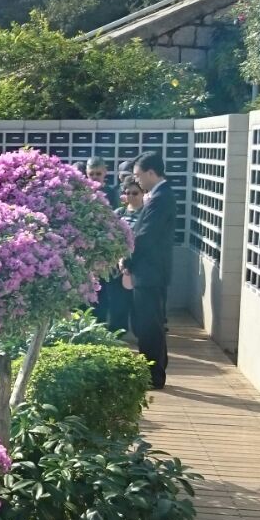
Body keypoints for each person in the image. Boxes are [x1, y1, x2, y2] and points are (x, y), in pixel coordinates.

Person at [124, 153, 175, 390]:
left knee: (149, 325)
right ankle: (153, 370)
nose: (137, 180)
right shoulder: (155, 197)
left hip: (150, 271)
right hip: (150, 271)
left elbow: (145, 236)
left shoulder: (161, 198)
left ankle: (153, 374)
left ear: (151, 173)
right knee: (148, 323)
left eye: (138, 175)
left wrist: (128, 260)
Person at [94, 179, 144, 333]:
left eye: (135, 193)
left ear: (143, 194)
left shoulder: (147, 214)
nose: (131, 196)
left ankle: (139, 333)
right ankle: (118, 334)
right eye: (127, 193)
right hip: (117, 266)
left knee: (138, 304)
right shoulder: (118, 213)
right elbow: (110, 236)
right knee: (117, 303)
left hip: (137, 265)